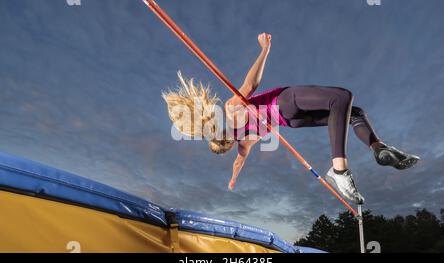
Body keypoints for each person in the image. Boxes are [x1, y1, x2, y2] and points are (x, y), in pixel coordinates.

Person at [162, 33, 420, 205]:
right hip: (285, 102)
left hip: (291, 122)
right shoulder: (230, 109)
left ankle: (378, 147)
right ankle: (339, 170)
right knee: (341, 98)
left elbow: (238, 165)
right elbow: (251, 84)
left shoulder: (244, 144)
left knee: (353, 113)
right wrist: (265, 49)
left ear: (226, 145)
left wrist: (232, 181)